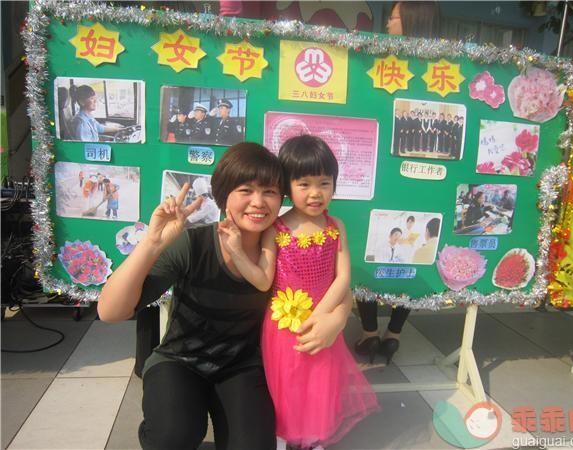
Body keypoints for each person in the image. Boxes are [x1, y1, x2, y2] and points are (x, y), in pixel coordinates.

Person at [98, 142, 349, 450]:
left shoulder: (284, 245)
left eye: (269, 191)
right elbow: (111, 312)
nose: (258, 202)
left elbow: (334, 284)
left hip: (242, 365)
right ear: (224, 194)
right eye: (245, 190)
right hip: (180, 360)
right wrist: (151, 244)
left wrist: (338, 317)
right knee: (173, 436)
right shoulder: (194, 244)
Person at [219, 135, 378, 449]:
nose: (316, 193)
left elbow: (343, 278)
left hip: (321, 321)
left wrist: (323, 318)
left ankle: (313, 437)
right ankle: (280, 436)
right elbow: (263, 280)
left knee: (321, 381)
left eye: (324, 183)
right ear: (287, 187)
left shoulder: (336, 225)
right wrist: (236, 251)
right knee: (286, 384)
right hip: (282, 328)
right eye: (304, 184)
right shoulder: (275, 228)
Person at [355, 0, 440, 365]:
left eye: (392, 17)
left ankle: (369, 333)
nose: (388, 24)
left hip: (382, 176)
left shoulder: (384, 66)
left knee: (369, 245)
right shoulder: (441, 70)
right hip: (423, 181)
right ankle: (393, 335)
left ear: (411, 20)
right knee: (410, 254)